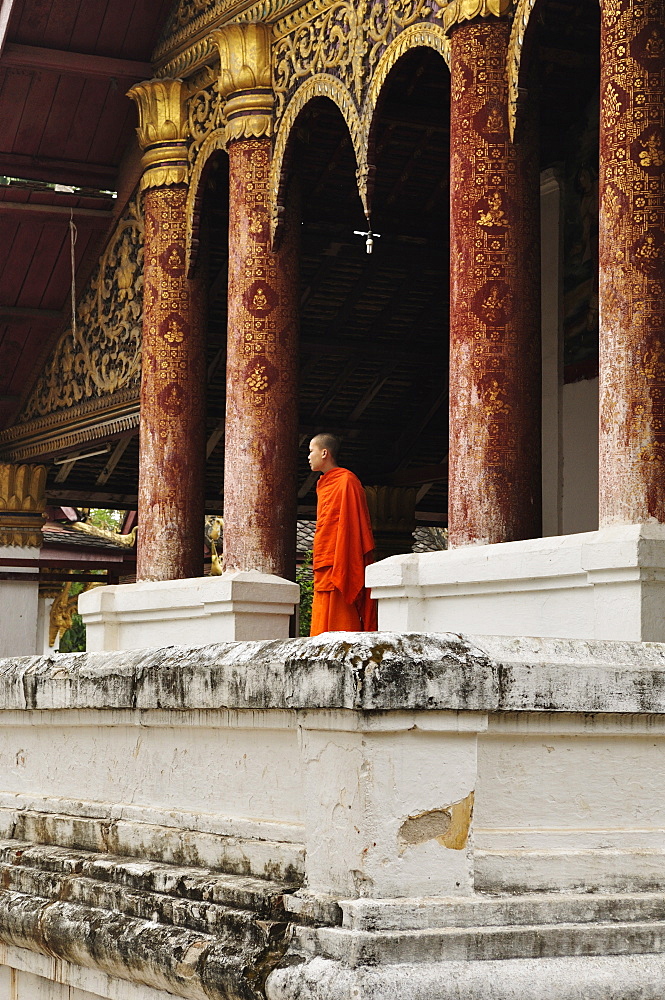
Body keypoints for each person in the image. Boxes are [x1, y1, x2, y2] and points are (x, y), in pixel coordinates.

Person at [307, 433, 378, 636]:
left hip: (342, 553)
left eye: (311, 451)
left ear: (324, 452)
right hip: (325, 553)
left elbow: (353, 522)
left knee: (341, 606)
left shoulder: (347, 480)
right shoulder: (323, 483)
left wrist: (345, 553)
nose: (309, 457)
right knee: (322, 606)